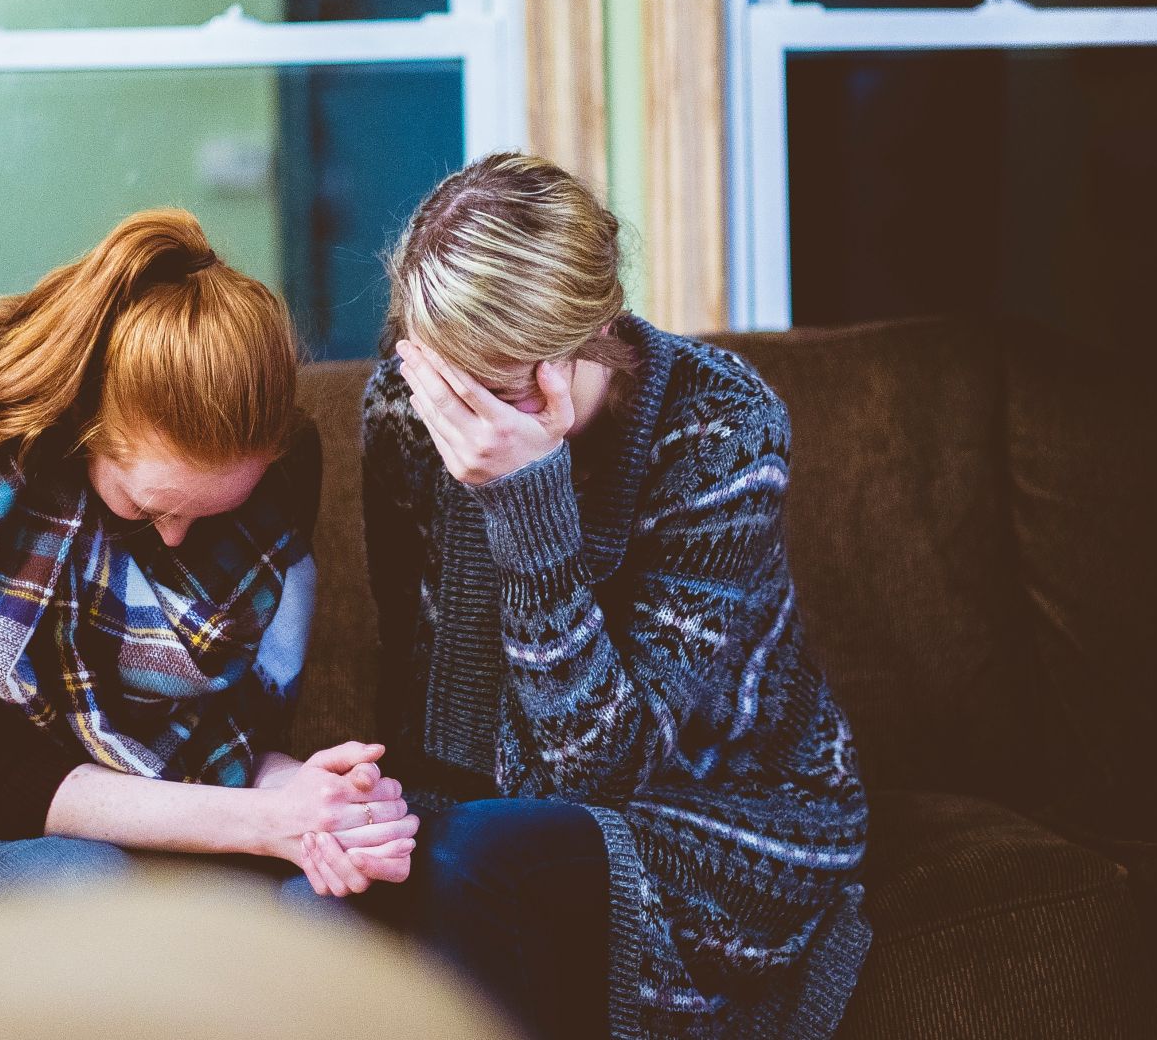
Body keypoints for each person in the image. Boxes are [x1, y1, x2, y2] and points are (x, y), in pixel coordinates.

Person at [355, 154, 871, 1040]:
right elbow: (421, 671)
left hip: (722, 805)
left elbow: (601, 772)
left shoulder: (723, 427)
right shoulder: (408, 409)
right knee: (349, 880)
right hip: (488, 804)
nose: (459, 410)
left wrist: (529, 500)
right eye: (442, 373)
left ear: (587, 338)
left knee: (473, 861)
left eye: (497, 381)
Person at [0, 209, 417, 934]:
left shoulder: (282, 469)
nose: (178, 542)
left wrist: (317, 802)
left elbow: (230, 737)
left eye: (208, 516)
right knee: (90, 891)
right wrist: (264, 822)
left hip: (167, 813)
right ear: (83, 426)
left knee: (331, 909)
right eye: (148, 510)